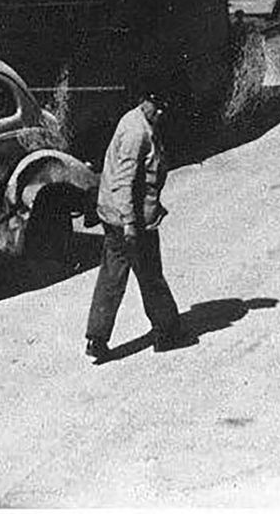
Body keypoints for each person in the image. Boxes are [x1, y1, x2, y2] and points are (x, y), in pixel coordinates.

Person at [84, 90, 186, 363]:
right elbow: (123, 182)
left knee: (112, 276)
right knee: (151, 274)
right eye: (158, 106)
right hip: (131, 220)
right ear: (145, 101)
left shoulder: (136, 121)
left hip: (116, 217)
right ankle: (167, 333)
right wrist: (130, 223)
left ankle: (97, 339)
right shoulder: (136, 133)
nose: (162, 113)